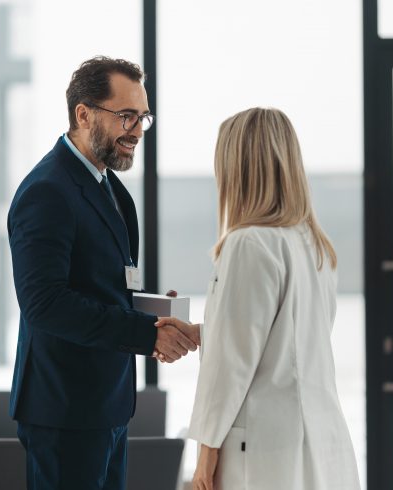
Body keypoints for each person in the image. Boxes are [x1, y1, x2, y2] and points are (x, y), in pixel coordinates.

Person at [7, 56, 200, 490]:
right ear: (83, 114)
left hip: (107, 406)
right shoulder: (47, 191)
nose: (136, 130)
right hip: (64, 412)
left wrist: (156, 311)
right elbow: (45, 304)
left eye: (143, 117)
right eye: (126, 116)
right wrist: (145, 334)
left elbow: (104, 286)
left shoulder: (112, 190)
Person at [157, 108, 360, 489]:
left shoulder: (248, 243)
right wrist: (206, 331)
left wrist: (206, 455)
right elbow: (285, 339)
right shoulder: (314, 246)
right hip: (322, 439)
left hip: (266, 450)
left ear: (240, 169)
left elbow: (229, 366)